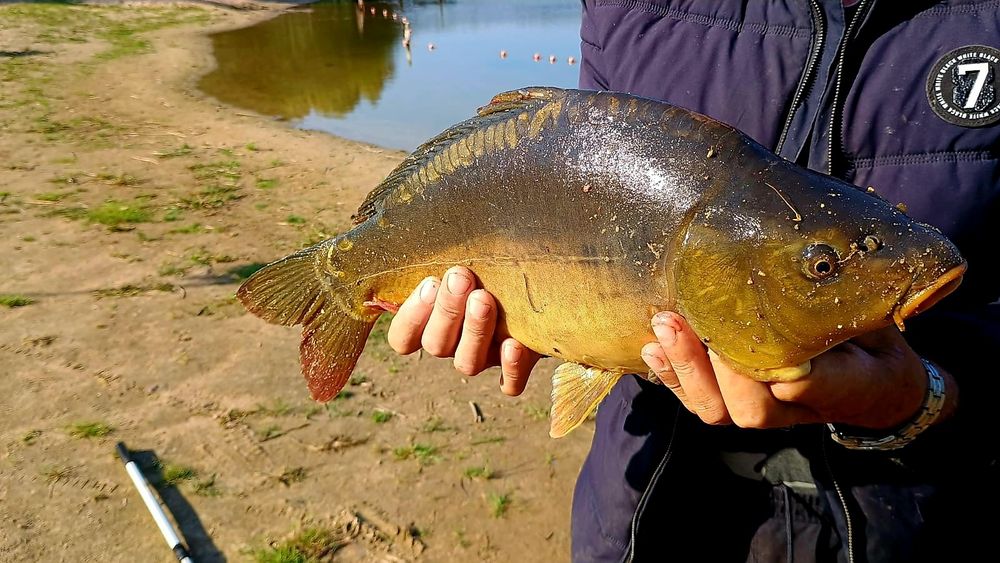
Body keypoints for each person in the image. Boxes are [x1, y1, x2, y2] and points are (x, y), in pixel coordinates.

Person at [387, 1, 1000, 561]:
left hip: (913, 525)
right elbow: (560, 177)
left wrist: (921, 399)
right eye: (823, 269)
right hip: (642, 513)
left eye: (822, 269)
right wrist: (533, 313)